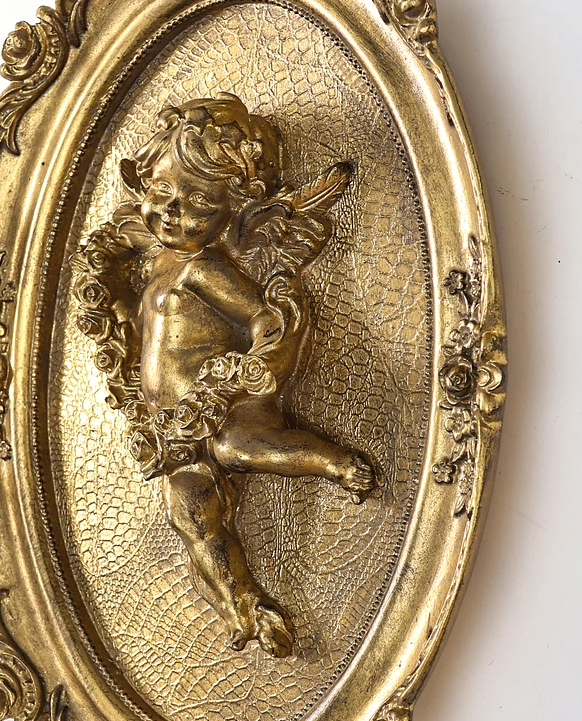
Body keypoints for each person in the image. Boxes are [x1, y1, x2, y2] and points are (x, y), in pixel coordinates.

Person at [72, 93, 375, 657]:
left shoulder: (204, 267)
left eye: (199, 204)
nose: (173, 213)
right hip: (174, 428)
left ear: (231, 212)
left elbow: (260, 314)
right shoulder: (156, 260)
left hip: (222, 404)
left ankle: (332, 462)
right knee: (191, 520)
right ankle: (246, 607)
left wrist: (259, 355)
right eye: (162, 193)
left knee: (242, 447)